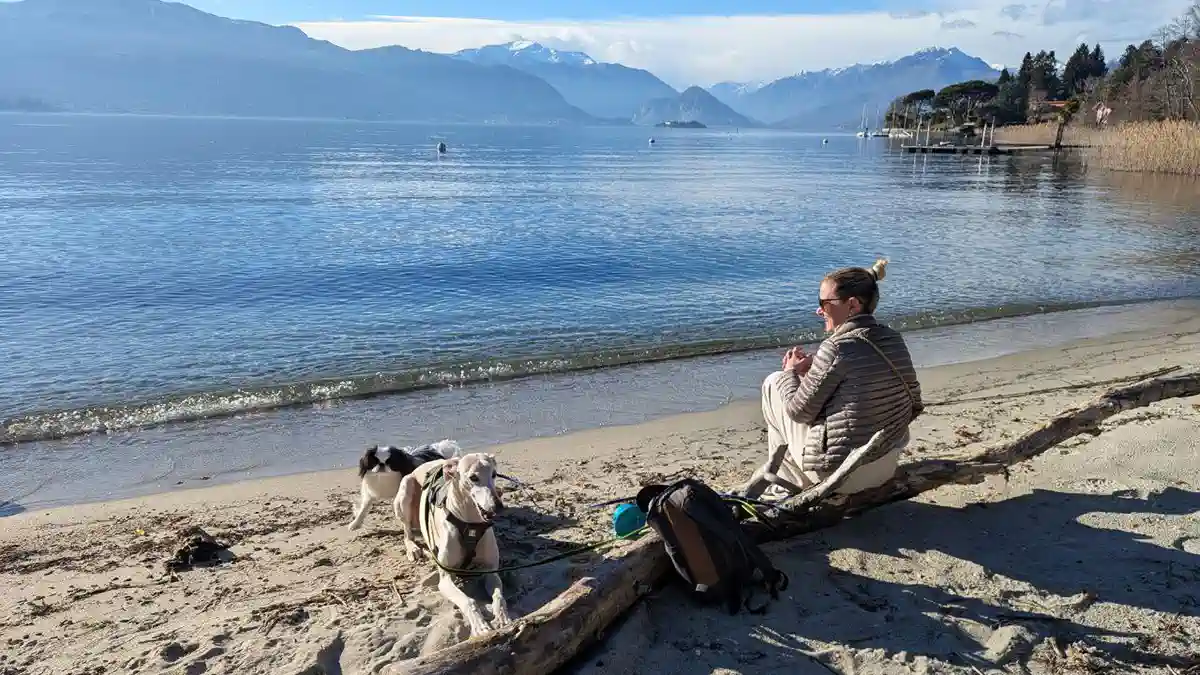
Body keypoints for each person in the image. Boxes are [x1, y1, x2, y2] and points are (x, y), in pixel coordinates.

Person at [758, 258, 923, 496]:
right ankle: (793, 478)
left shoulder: (836, 347)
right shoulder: (893, 339)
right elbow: (913, 403)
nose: (819, 310)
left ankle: (787, 483)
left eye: (824, 303)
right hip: (885, 464)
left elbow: (799, 412)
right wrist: (812, 374)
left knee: (773, 383)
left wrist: (790, 373)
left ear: (853, 305)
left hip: (842, 476)